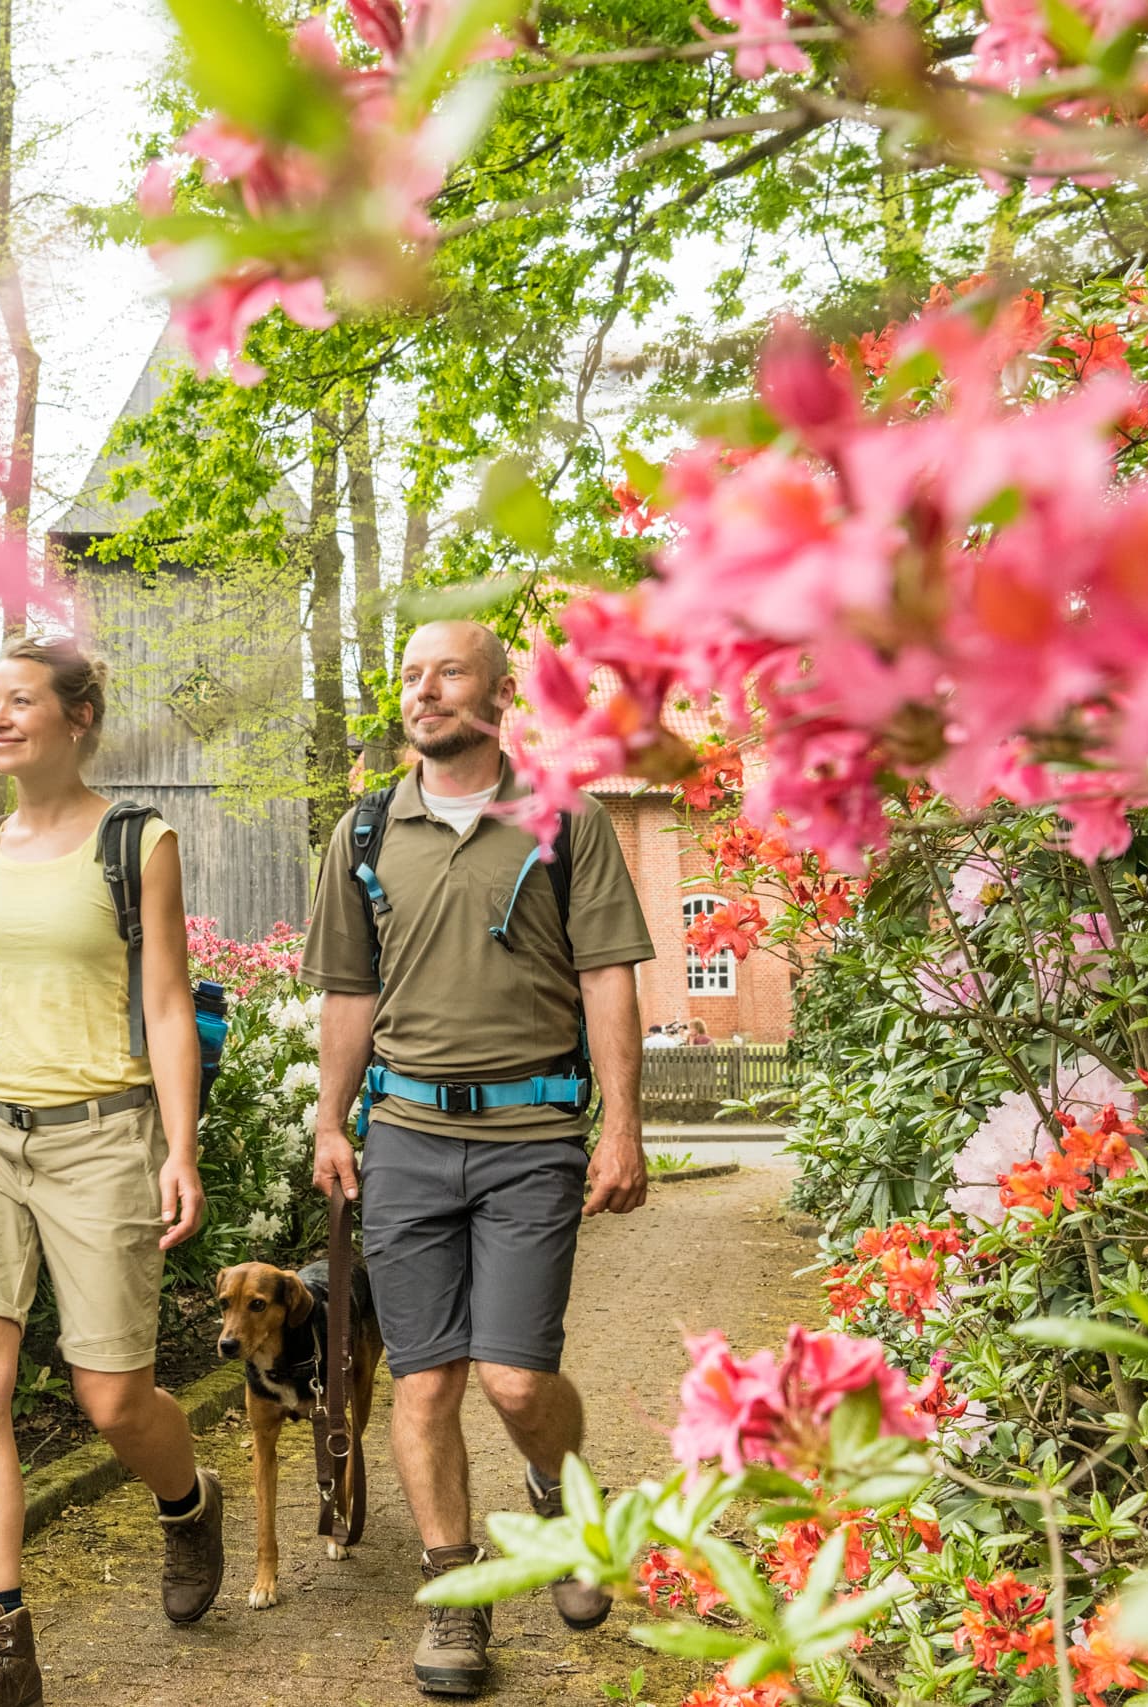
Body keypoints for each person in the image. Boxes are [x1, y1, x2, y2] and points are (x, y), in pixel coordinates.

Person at [303, 619, 653, 1697]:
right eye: (411, 675)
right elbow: (349, 996)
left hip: (531, 1138)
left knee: (511, 1379)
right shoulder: (362, 834)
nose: (426, 690)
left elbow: (607, 977)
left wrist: (624, 1124)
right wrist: (328, 1118)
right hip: (403, 1137)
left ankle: (563, 1502)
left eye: (449, 672)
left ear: (500, 693)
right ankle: (454, 1596)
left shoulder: (564, 822)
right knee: (422, 1384)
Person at [0, 637, 222, 1707]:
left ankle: (188, 1502)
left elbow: (166, 1005)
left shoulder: (134, 840)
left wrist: (178, 1148)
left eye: (18, 702)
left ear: (79, 716)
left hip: (101, 1137)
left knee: (113, 1401)